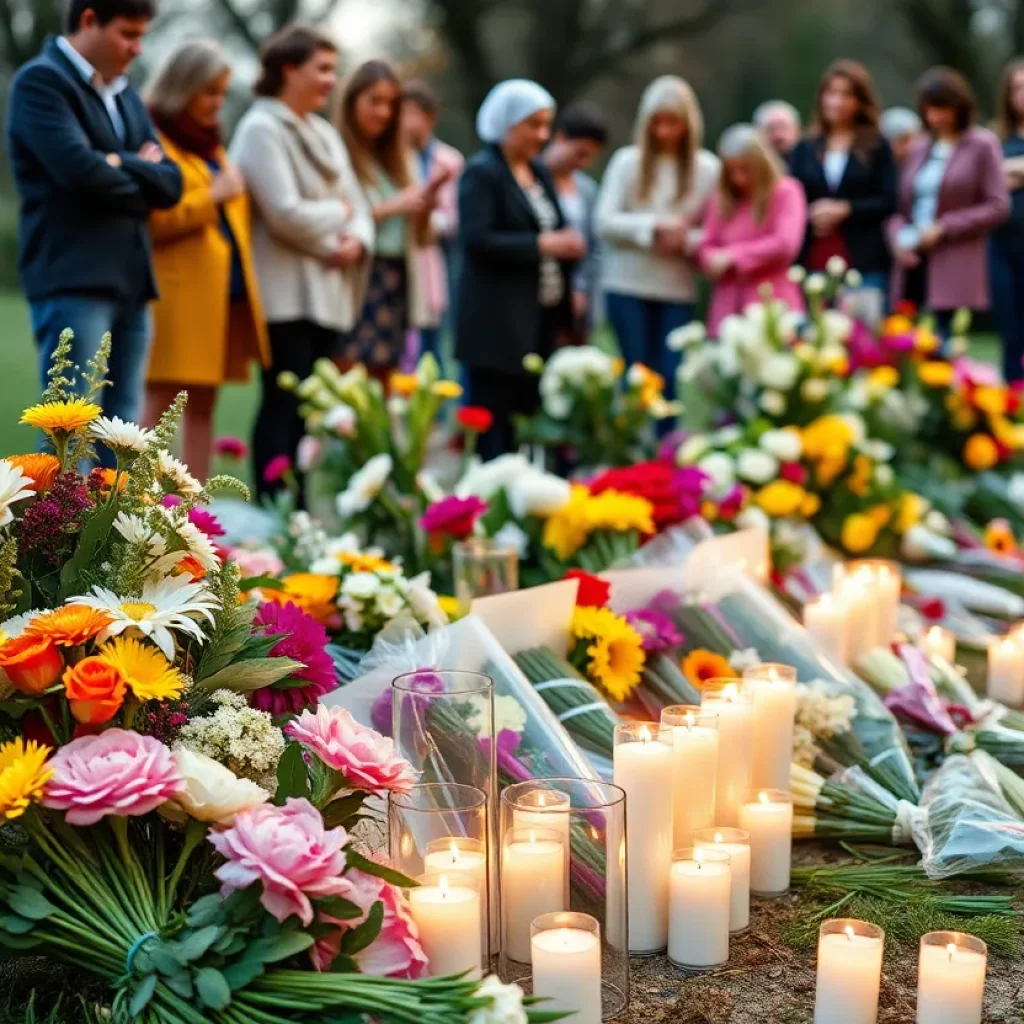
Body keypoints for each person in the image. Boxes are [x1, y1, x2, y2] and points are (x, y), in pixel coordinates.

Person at [5, 0, 182, 428]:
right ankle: (57, 503)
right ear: (89, 20)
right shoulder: (41, 83)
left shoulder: (125, 96)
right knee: (68, 435)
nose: (138, 48)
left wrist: (118, 162)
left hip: (132, 285)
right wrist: (140, 173)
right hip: (73, 283)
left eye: (142, 35)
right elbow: (81, 173)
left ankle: (113, 502)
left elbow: (172, 184)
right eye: (128, 33)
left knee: (122, 441)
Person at [231, 24, 373, 496]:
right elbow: (284, 213)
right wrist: (341, 221)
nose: (332, 80)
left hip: (327, 294)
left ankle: (301, 503)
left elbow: (361, 204)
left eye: (335, 69)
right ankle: (273, 506)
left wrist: (356, 240)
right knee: (282, 402)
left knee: (311, 409)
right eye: (323, 69)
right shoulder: (260, 127)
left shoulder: (326, 133)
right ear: (288, 68)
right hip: (283, 295)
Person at [143, 40, 270, 482]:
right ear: (182, 88)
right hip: (175, 296)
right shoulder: (153, 138)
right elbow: (153, 220)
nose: (218, 103)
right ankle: (132, 513)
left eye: (222, 92)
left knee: (203, 406)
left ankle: (193, 517)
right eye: (209, 92)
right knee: (157, 406)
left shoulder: (211, 146)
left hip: (217, 299)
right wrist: (211, 197)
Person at [456, 79, 585, 459]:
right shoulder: (482, 173)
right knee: (496, 429)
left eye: (547, 125)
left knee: (530, 424)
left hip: (538, 320)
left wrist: (568, 249)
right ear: (506, 124)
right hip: (496, 325)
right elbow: (477, 240)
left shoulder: (539, 173)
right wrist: (542, 244)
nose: (542, 135)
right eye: (533, 125)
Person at [596, 76, 720, 394]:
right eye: (657, 122)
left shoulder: (707, 169)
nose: (664, 131)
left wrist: (686, 240)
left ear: (688, 124)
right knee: (636, 374)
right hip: (627, 283)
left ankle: (668, 441)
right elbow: (604, 221)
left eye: (673, 122)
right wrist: (651, 228)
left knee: (669, 373)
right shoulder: (627, 162)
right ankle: (632, 440)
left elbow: (717, 230)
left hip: (676, 287)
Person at [889, 67, 1009, 336]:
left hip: (954, 260)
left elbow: (998, 206)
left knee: (945, 344)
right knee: (904, 345)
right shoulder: (919, 147)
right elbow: (899, 208)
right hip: (912, 259)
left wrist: (944, 227)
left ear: (959, 108)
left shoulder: (982, 145)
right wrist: (897, 239)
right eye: (930, 109)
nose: (937, 117)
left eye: (943, 109)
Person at [339, 60, 438, 379]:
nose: (384, 112)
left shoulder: (401, 158)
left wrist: (424, 208)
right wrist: (395, 205)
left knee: (388, 377)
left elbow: (422, 238)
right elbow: (340, 217)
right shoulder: (338, 152)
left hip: (398, 277)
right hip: (358, 276)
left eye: (391, 104)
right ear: (353, 100)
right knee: (348, 375)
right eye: (375, 101)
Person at [788, 60, 896, 292]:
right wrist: (812, 215)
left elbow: (889, 200)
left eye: (846, 95)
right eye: (832, 93)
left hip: (863, 261)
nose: (837, 101)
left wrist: (846, 209)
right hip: (813, 260)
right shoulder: (805, 148)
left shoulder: (876, 146)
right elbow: (792, 200)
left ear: (860, 101)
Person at [698, 124, 807, 334]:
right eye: (732, 171)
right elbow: (706, 244)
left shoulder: (786, 191)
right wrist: (709, 259)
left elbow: (785, 243)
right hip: (727, 306)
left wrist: (733, 256)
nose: (739, 178)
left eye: (745, 169)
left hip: (773, 303)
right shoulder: (722, 199)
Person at [399, 79, 464, 367]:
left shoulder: (449, 160)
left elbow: (453, 219)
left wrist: (423, 217)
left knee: (432, 341)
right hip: (400, 257)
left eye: (412, 113)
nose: (405, 122)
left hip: (434, 259)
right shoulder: (396, 158)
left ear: (430, 118)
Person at [543, 103, 609, 340]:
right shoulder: (532, 182)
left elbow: (595, 246)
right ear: (560, 138)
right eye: (580, 153)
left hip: (578, 304)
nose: (583, 163)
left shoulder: (588, 191)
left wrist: (582, 289)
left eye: (590, 157)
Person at [991, 60, 1024, 383]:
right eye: (1016, 87)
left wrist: (1012, 170)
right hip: (1002, 246)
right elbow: (986, 180)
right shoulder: (996, 140)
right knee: (1010, 331)